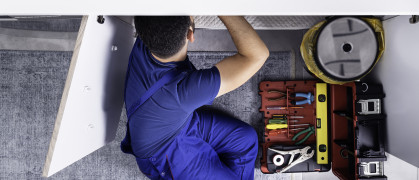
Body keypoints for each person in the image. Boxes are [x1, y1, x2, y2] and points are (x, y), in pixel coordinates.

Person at [121, 16, 269, 180]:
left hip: (176, 125)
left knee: (245, 139)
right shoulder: (184, 91)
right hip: (165, 156)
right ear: (190, 35)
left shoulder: (148, 34)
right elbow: (257, 55)